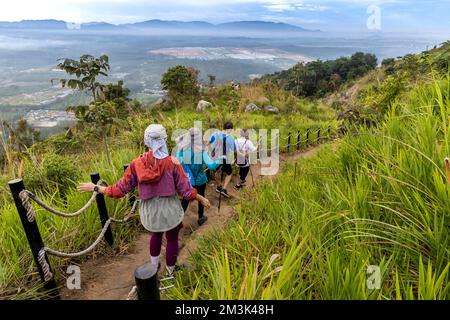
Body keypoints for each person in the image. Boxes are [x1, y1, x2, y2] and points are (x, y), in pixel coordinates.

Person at [77, 124, 210, 276]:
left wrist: (96, 187)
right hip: (170, 208)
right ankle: (171, 271)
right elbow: (186, 191)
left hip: (149, 209)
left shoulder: (136, 164)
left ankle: (153, 269)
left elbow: (120, 189)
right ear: (164, 139)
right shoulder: (172, 162)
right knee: (172, 238)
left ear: (146, 141)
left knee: (156, 235)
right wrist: (200, 198)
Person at [176, 127, 221, 226]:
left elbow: (177, 164)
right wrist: (220, 159)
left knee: (185, 199)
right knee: (202, 198)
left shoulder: (181, 149)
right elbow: (211, 166)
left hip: (187, 181)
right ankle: (201, 217)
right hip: (200, 179)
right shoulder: (201, 151)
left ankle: (177, 221)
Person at [209, 122, 236, 198]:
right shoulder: (230, 138)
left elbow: (208, 143)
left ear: (223, 128)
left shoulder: (214, 134)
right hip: (224, 159)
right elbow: (234, 150)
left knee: (217, 171)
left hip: (215, 158)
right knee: (229, 173)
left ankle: (218, 186)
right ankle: (223, 188)